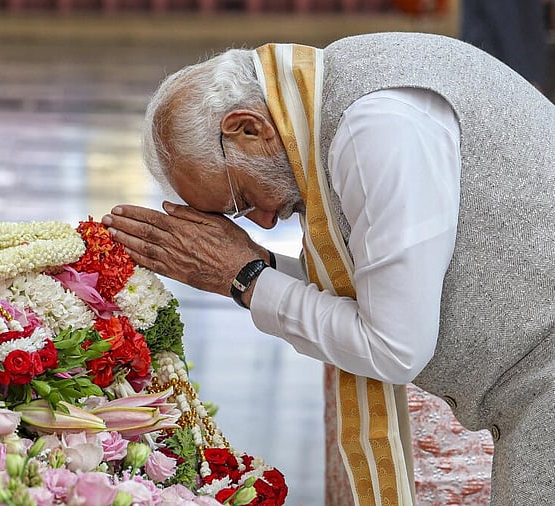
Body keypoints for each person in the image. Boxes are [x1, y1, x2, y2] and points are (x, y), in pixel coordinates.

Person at [101, 32, 554, 506]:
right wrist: (257, 268)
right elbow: (378, 290)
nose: (264, 220)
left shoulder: (374, 129)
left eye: (242, 201)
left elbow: (394, 348)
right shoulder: (336, 92)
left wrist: (247, 279)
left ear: (248, 128)